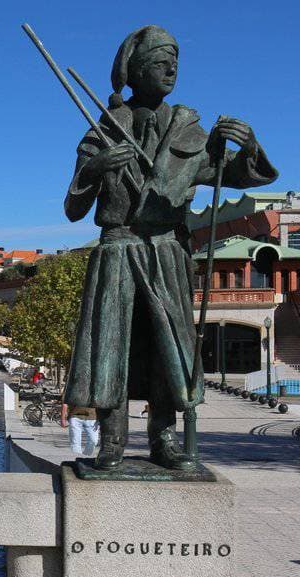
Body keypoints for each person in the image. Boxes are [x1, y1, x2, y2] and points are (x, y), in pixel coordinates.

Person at [63, 25, 277, 471]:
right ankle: (112, 442)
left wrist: (248, 147)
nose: (171, 71)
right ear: (136, 71)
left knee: (168, 347)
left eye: (175, 64)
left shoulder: (189, 129)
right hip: (118, 250)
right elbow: (73, 208)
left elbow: (232, 175)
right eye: (161, 64)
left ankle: (164, 438)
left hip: (166, 252)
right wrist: (96, 169)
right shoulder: (104, 129)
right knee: (112, 348)